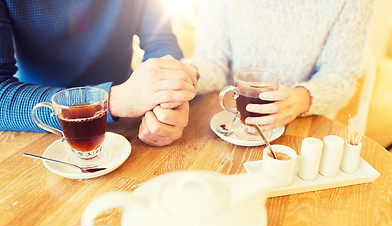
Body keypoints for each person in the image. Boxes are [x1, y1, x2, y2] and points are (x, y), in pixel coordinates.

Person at [0, 0, 198, 146]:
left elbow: (161, 41)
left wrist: (166, 97)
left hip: (129, 125)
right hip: (38, 126)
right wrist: (113, 100)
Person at [183, 0, 374, 132]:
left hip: (302, 124)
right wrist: (189, 73)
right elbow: (213, 61)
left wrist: (300, 99)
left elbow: (340, 76)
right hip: (229, 123)